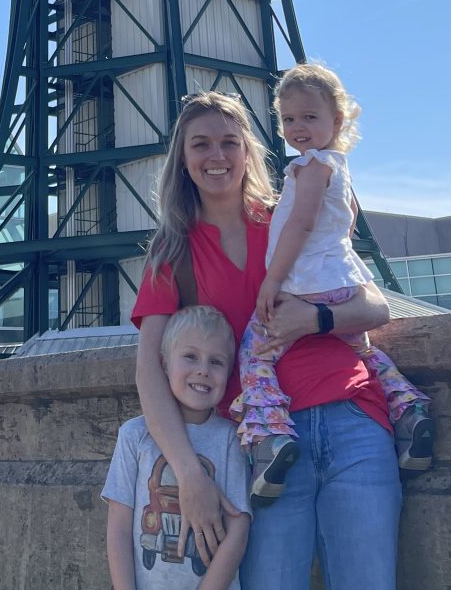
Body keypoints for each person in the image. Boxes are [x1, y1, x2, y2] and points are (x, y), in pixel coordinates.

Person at [131, 89, 402, 590]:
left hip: (352, 418)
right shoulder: (172, 252)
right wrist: (189, 474)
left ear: (248, 149)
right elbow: (149, 367)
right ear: (182, 159)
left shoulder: (293, 215)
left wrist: (312, 319)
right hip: (264, 449)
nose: (217, 157)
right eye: (201, 145)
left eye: (230, 143)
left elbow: (376, 307)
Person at [232, 63, 434, 504]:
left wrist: (273, 280)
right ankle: (407, 409)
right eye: (288, 119)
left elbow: (301, 224)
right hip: (341, 280)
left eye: (309, 117)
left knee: (255, 352)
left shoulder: (309, 169)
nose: (297, 127)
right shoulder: (339, 168)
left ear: (337, 121)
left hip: (305, 284)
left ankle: (270, 436)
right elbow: (348, 222)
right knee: (361, 349)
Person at [102, 305, 251, 589]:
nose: (203, 370)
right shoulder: (134, 435)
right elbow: (119, 528)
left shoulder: (231, 439)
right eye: (190, 357)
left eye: (216, 362)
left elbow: (238, 529)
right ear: (164, 364)